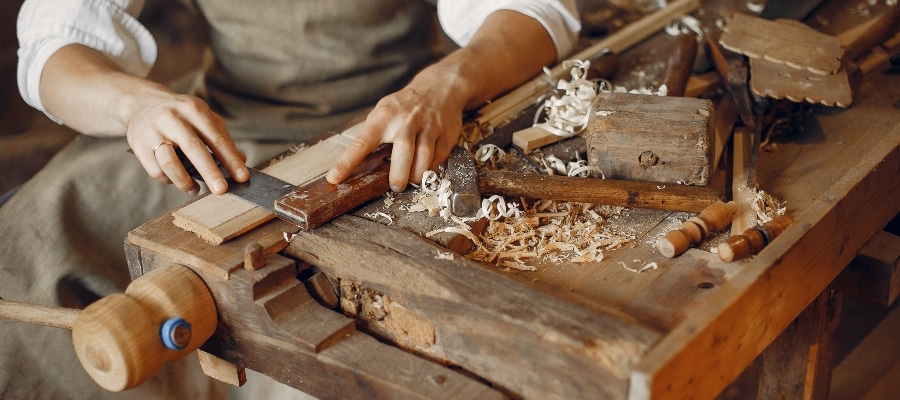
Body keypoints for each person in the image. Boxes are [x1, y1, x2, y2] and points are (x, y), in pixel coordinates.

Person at [1, 0, 580, 399]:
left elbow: (537, 13)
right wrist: (134, 105)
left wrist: (444, 86)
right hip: (218, 135)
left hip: (378, 132)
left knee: (352, 320)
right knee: (33, 241)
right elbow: (57, 42)